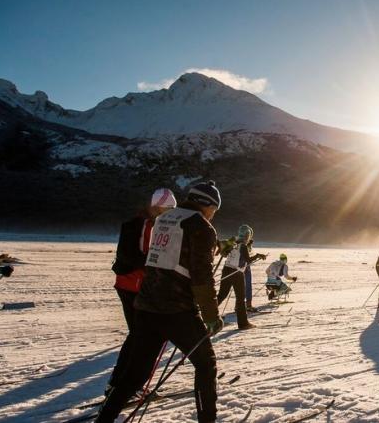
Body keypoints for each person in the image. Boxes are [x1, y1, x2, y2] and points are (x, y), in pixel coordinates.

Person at [97, 181, 223, 423]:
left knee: (135, 374)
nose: (213, 215)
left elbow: (173, 256)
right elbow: (202, 278)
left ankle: (104, 419)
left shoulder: (164, 219)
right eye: (214, 210)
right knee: (206, 365)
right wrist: (211, 316)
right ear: (207, 205)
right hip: (177, 311)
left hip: (145, 308)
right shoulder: (202, 227)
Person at [106, 188, 176, 395]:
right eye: (167, 210)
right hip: (135, 286)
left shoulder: (143, 222)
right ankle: (122, 385)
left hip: (129, 285)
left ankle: (120, 384)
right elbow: (145, 256)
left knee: (139, 335)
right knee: (144, 337)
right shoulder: (147, 225)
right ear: (156, 207)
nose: (169, 215)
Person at [220, 225, 266, 329]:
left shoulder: (233, 242)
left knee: (221, 295)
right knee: (240, 298)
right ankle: (243, 323)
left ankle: (209, 316)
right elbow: (248, 260)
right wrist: (258, 255)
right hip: (236, 272)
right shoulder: (243, 246)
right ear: (247, 235)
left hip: (226, 269)